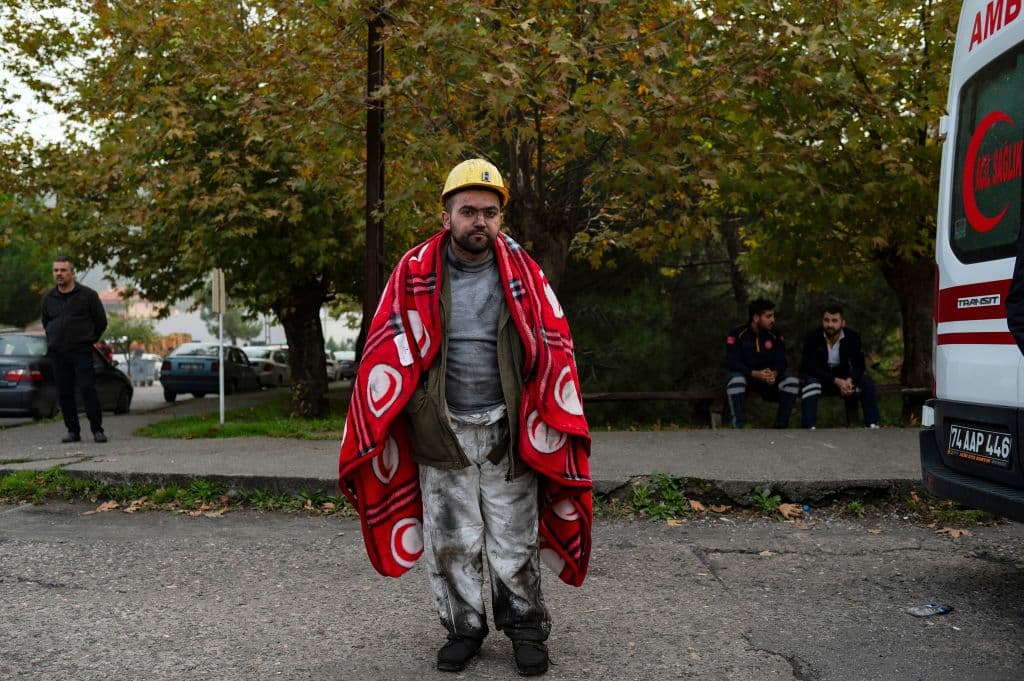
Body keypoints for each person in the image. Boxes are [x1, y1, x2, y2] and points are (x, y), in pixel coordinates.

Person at [338, 159, 592, 676]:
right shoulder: (413, 272)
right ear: (447, 213)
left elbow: (552, 350)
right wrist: (406, 414)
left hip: (508, 427)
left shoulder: (525, 274)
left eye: (491, 212)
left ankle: (525, 629)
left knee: (513, 535)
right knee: (451, 540)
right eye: (469, 211)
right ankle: (464, 629)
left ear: (501, 217)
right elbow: (386, 349)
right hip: (442, 428)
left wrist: (541, 413)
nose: (480, 221)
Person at [41, 256, 109, 443]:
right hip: (58, 353)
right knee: (64, 392)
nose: (59, 274)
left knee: (87, 389)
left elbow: (101, 322)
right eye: (56, 270)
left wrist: (88, 339)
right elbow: (46, 322)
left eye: (63, 270)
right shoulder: (48, 298)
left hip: (81, 351)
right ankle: (73, 431)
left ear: (72, 272)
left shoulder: (88, 295)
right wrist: (54, 338)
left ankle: (97, 430)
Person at [799, 304, 880, 429]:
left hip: (843, 378)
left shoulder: (852, 337)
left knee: (866, 382)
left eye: (834, 321)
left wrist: (849, 380)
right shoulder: (812, 337)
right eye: (826, 320)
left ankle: (872, 423)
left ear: (843, 323)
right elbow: (809, 367)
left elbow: (859, 366)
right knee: (811, 383)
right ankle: (809, 426)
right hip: (821, 378)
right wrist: (835, 381)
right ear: (822, 321)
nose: (830, 325)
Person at [725, 298, 799, 428]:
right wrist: (754, 373)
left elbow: (782, 361)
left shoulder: (775, 334)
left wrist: (774, 373)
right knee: (736, 380)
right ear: (756, 317)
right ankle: (738, 427)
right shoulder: (737, 334)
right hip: (747, 377)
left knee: (791, 382)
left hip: (769, 379)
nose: (773, 320)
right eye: (768, 316)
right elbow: (732, 362)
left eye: (773, 316)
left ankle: (781, 427)